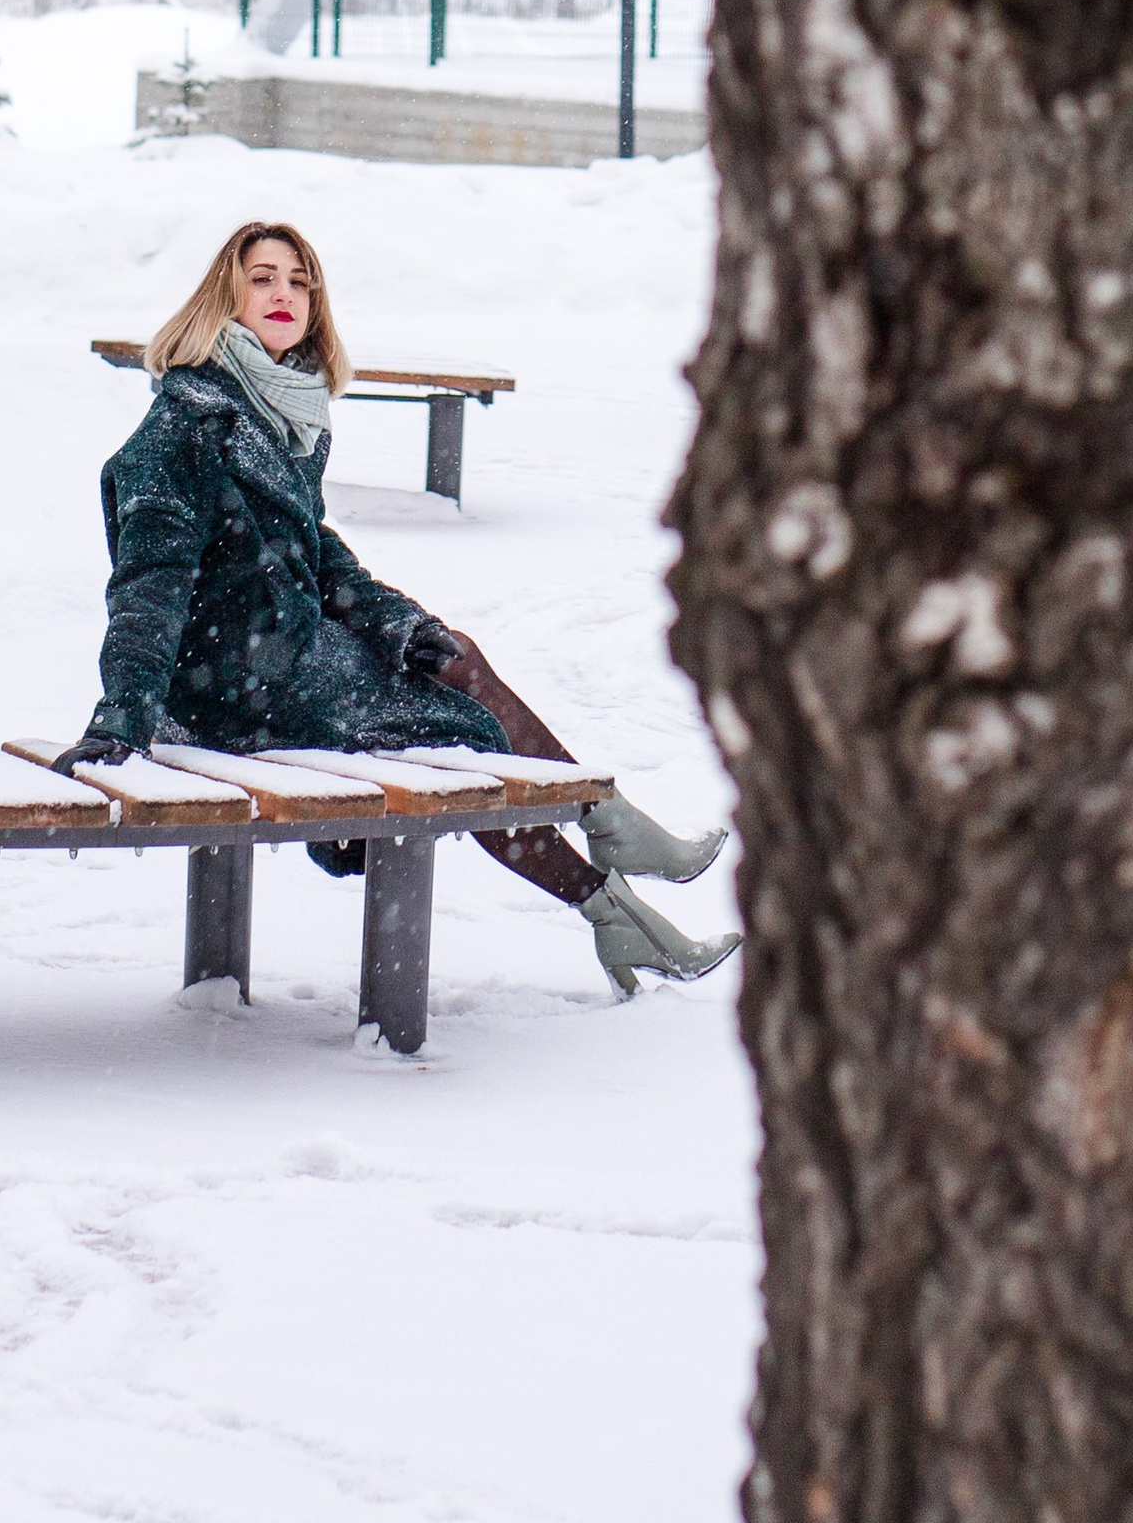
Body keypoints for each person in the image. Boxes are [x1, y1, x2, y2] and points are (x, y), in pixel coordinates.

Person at [59, 218, 737, 995]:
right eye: (263, 277)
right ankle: (608, 844)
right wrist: (123, 714)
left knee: (454, 658)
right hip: (222, 694)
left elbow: (319, 557)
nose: (284, 294)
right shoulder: (185, 423)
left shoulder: (282, 415)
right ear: (225, 296)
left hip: (282, 668)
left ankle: (610, 881)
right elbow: (150, 581)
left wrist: (401, 630)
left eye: (300, 282)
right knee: (466, 740)